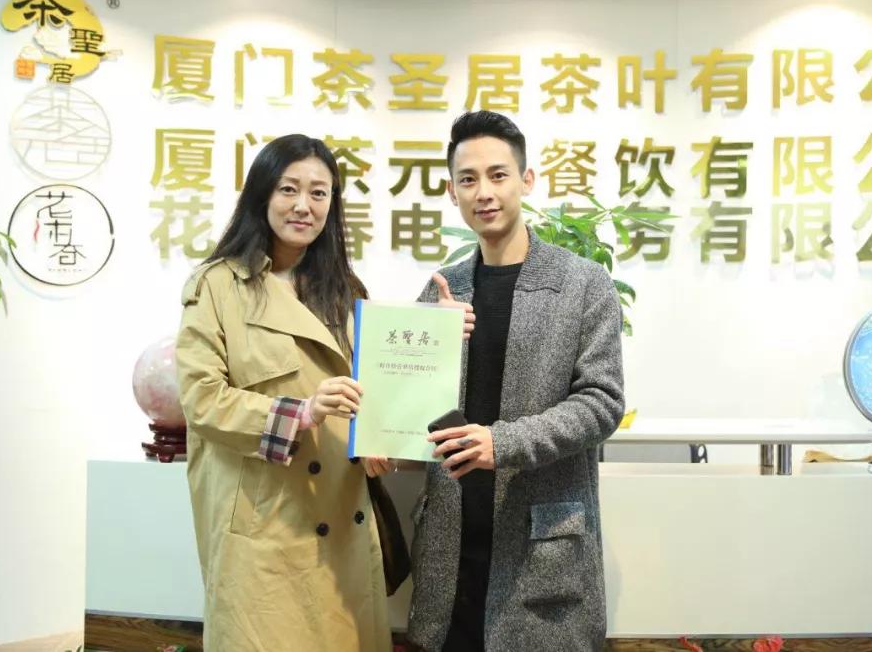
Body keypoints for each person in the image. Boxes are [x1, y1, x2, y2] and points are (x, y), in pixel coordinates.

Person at [406, 111, 626, 651]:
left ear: (526, 181)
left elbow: (601, 402)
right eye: (468, 179)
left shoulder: (582, 283)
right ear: (453, 192)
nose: (483, 192)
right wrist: (435, 342)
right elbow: (409, 402)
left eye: (498, 175)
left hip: (540, 548)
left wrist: (500, 443)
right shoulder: (443, 290)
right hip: (452, 550)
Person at [175, 133, 392, 651]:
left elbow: (375, 384)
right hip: (266, 525)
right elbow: (201, 398)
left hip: (341, 517)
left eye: (319, 193)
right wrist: (303, 412)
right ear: (262, 194)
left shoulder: (347, 290)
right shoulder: (217, 285)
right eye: (288, 189)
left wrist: (377, 437)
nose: (303, 205)